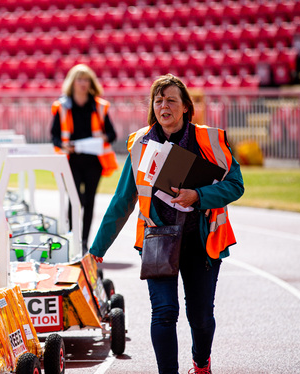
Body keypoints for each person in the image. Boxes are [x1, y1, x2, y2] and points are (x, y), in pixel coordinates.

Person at [89, 74, 244, 374]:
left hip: (201, 242)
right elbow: (122, 202)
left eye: (171, 100)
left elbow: (236, 185)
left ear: (186, 106)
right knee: (163, 313)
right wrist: (97, 249)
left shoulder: (207, 140)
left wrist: (197, 196)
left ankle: (201, 363)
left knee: (199, 317)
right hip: (158, 240)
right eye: (158, 101)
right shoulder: (140, 144)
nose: (164, 106)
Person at [51, 64, 118, 253]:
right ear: (72, 82)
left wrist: (102, 139)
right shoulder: (62, 106)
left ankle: (83, 243)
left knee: (89, 201)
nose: (83, 83)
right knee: (75, 200)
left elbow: (112, 134)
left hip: (93, 161)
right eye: (79, 79)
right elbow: (55, 135)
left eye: (86, 79)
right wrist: (64, 145)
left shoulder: (99, 106)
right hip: (71, 160)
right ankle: (72, 238)